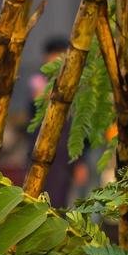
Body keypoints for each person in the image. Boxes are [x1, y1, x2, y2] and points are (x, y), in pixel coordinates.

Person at [29, 37, 86, 207]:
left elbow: (79, 127)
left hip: (65, 154)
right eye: (53, 57)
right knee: (37, 197)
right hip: (40, 150)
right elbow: (36, 102)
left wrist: (80, 161)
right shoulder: (38, 82)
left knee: (62, 200)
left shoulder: (76, 85)